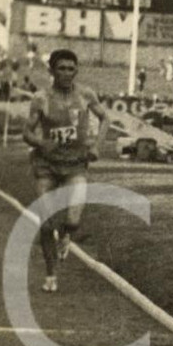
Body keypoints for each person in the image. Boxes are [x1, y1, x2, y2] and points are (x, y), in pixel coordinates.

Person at [21, 48, 108, 293]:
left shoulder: (86, 95)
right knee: (48, 223)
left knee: (73, 219)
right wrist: (41, 142)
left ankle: (67, 235)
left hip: (75, 164)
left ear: (76, 70)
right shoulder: (41, 98)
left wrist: (97, 146)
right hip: (46, 165)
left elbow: (106, 119)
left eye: (71, 68)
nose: (67, 73)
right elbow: (27, 132)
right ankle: (50, 275)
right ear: (51, 71)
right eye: (61, 68)